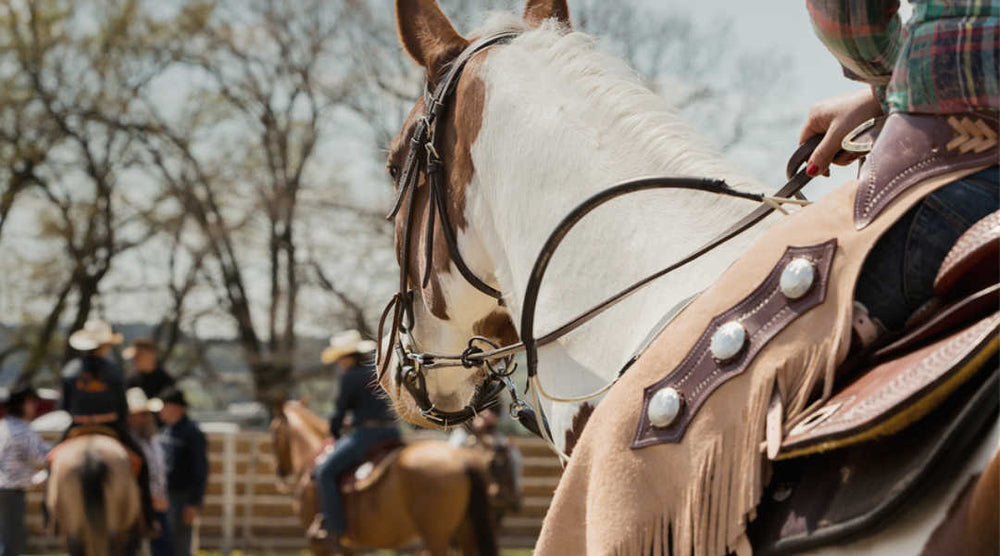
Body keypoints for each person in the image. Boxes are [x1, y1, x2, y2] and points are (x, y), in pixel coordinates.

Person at [800, 1, 998, 338]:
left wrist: (893, 82)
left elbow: (847, 20)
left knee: (792, 339)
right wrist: (878, 98)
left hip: (962, 174)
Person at [59, 319, 157, 532]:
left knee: (52, 461)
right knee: (141, 463)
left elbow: (65, 406)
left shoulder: (70, 370)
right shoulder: (113, 370)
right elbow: (122, 407)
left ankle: (50, 515)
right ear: (104, 345)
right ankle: (147, 518)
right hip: (111, 426)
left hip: (77, 426)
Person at [311, 330, 400, 543]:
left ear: (349, 357)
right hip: (392, 432)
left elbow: (340, 411)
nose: (340, 363)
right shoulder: (378, 370)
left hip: (367, 435)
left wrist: (334, 432)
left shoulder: (350, 376)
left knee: (325, 472)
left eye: (340, 358)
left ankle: (335, 528)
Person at [156, 387, 207, 556]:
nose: (161, 410)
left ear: (176, 408)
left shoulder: (192, 432)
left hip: (182, 496)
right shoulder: (165, 430)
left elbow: (200, 469)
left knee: (179, 546)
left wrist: (193, 503)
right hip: (165, 495)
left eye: (164, 406)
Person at [0, 385, 49, 556]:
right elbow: (45, 457)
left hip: (5, 488)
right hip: (11, 491)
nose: (34, 406)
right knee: (12, 542)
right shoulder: (24, 431)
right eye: (32, 402)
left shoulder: (2, 426)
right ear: (24, 404)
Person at [125, 388, 174, 556]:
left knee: (164, 548)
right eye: (142, 414)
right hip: (134, 505)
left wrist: (161, 495)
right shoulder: (126, 443)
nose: (147, 418)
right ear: (130, 418)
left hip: (158, 502)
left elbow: (159, 472)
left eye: (147, 414)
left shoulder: (154, 440)